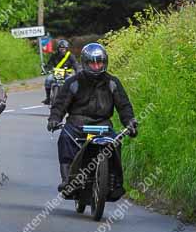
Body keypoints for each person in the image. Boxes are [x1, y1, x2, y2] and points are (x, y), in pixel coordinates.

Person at [46, 42, 138, 191]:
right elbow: (59, 104)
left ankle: (115, 182)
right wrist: (54, 119)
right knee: (64, 138)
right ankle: (67, 178)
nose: (96, 66)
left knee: (116, 143)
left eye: (99, 63)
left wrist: (130, 122)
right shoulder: (73, 82)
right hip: (77, 123)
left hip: (103, 125)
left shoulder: (112, 83)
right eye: (92, 63)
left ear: (105, 62)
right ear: (84, 63)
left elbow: (124, 106)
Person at [42, 39, 79, 105]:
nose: (62, 50)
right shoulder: (54, 55)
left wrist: (77, 72)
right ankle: (48, 98)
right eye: (60, 48)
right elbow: (49, 64)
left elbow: (75, 65)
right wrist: (46, 69)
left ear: (67, 48)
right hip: (56, 74)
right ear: (58, 48)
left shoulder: (71, 56)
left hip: (67, 74)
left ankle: (73, 99)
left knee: (71, 84)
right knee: (48, 80)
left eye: (64, 48)